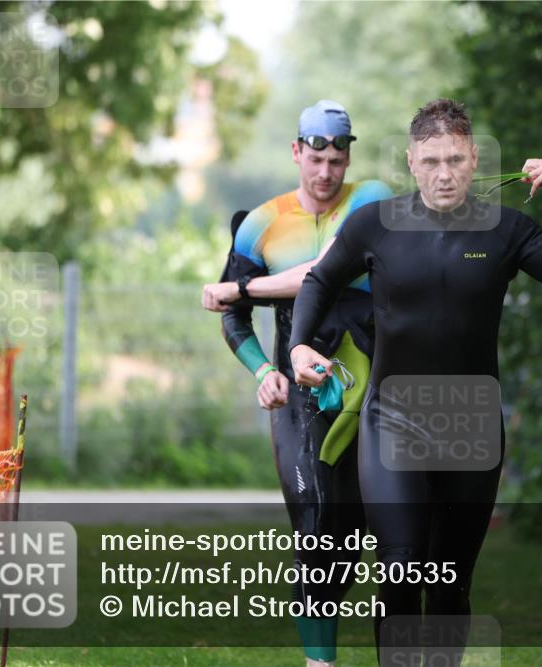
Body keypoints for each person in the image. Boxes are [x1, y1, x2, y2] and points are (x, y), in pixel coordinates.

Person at [288, 98, 542, 664]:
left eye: (456, 160)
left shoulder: (506, 230)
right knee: (400, 569)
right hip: (392, 421)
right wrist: (298, 345)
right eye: (432, 160)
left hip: (471, 426)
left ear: (474, 159)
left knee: (448, 585)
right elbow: (319, 281)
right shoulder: (376, 225)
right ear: (411, 161)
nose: (444, 174)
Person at [202, 99, 392, 667]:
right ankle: (319, 663)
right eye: (316, 157)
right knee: (315, 526)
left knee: (376, 534)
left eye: (338, 158)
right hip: (301, 398)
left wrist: (242, 288)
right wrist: (263, 371)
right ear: (296, 152)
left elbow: (319, 272)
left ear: (348, 156)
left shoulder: (372, 199)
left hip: (376, 389)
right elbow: (232, 325)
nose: (327, 171)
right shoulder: (258, 224)